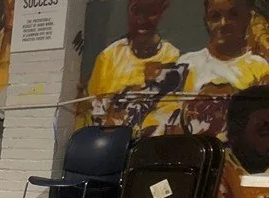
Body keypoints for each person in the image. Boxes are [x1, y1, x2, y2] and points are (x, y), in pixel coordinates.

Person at [177, 0, 269, 136]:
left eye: (234, 15)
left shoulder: (260, 67)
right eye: (215, 17)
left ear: (247, 18)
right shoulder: (187, 64)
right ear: (206, 21)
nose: (224, 23)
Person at [87, 0, 181, 129]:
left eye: (151, 12)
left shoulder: (175, 58)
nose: (142, 20)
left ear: (162, 12)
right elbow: (93, 108)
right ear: (128, 10)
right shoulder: (109, 57)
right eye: (137, 11)